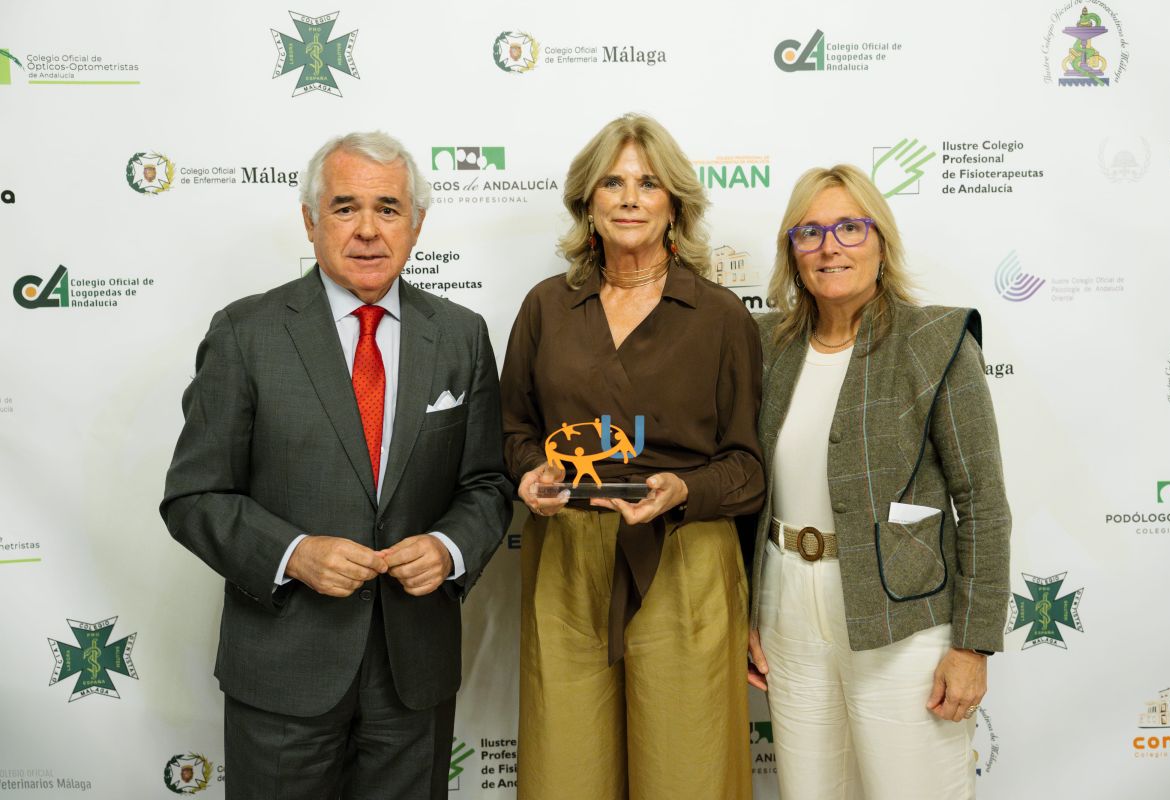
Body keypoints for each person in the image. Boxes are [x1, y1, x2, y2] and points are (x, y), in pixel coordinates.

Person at [161, 131, 512, 800]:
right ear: (310, 220)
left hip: (414, 675)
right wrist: (293, 553)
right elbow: (194, 497)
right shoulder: (246, 333)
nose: (368, 230)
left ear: (417, 224)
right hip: (284, 671)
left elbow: (487, 484)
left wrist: (448, 548)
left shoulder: (461, 335)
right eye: (346, 207)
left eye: (388, 208)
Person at [500, 113, 765, 800]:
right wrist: (529, 473)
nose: (629, 198)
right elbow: (512, 429)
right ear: (587, 201)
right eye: (612, 183)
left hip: (685, 559)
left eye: (648, 184)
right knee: (565, 775)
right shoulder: (546, 308)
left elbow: (748, 467)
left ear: (675, 204)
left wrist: (684, 489)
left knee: (687, 776)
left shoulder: (719, 317)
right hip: (566, 560)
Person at [745, 164, 1011, 799]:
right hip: (786, 610)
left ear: (881, 241)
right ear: (792, 252)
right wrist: (748, 610)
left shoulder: (934, 341)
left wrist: (972, 646)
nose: (829, 246)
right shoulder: (764, 347)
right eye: (809, 232)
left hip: (903, 617)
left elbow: (982, 503)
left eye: (849, 227)